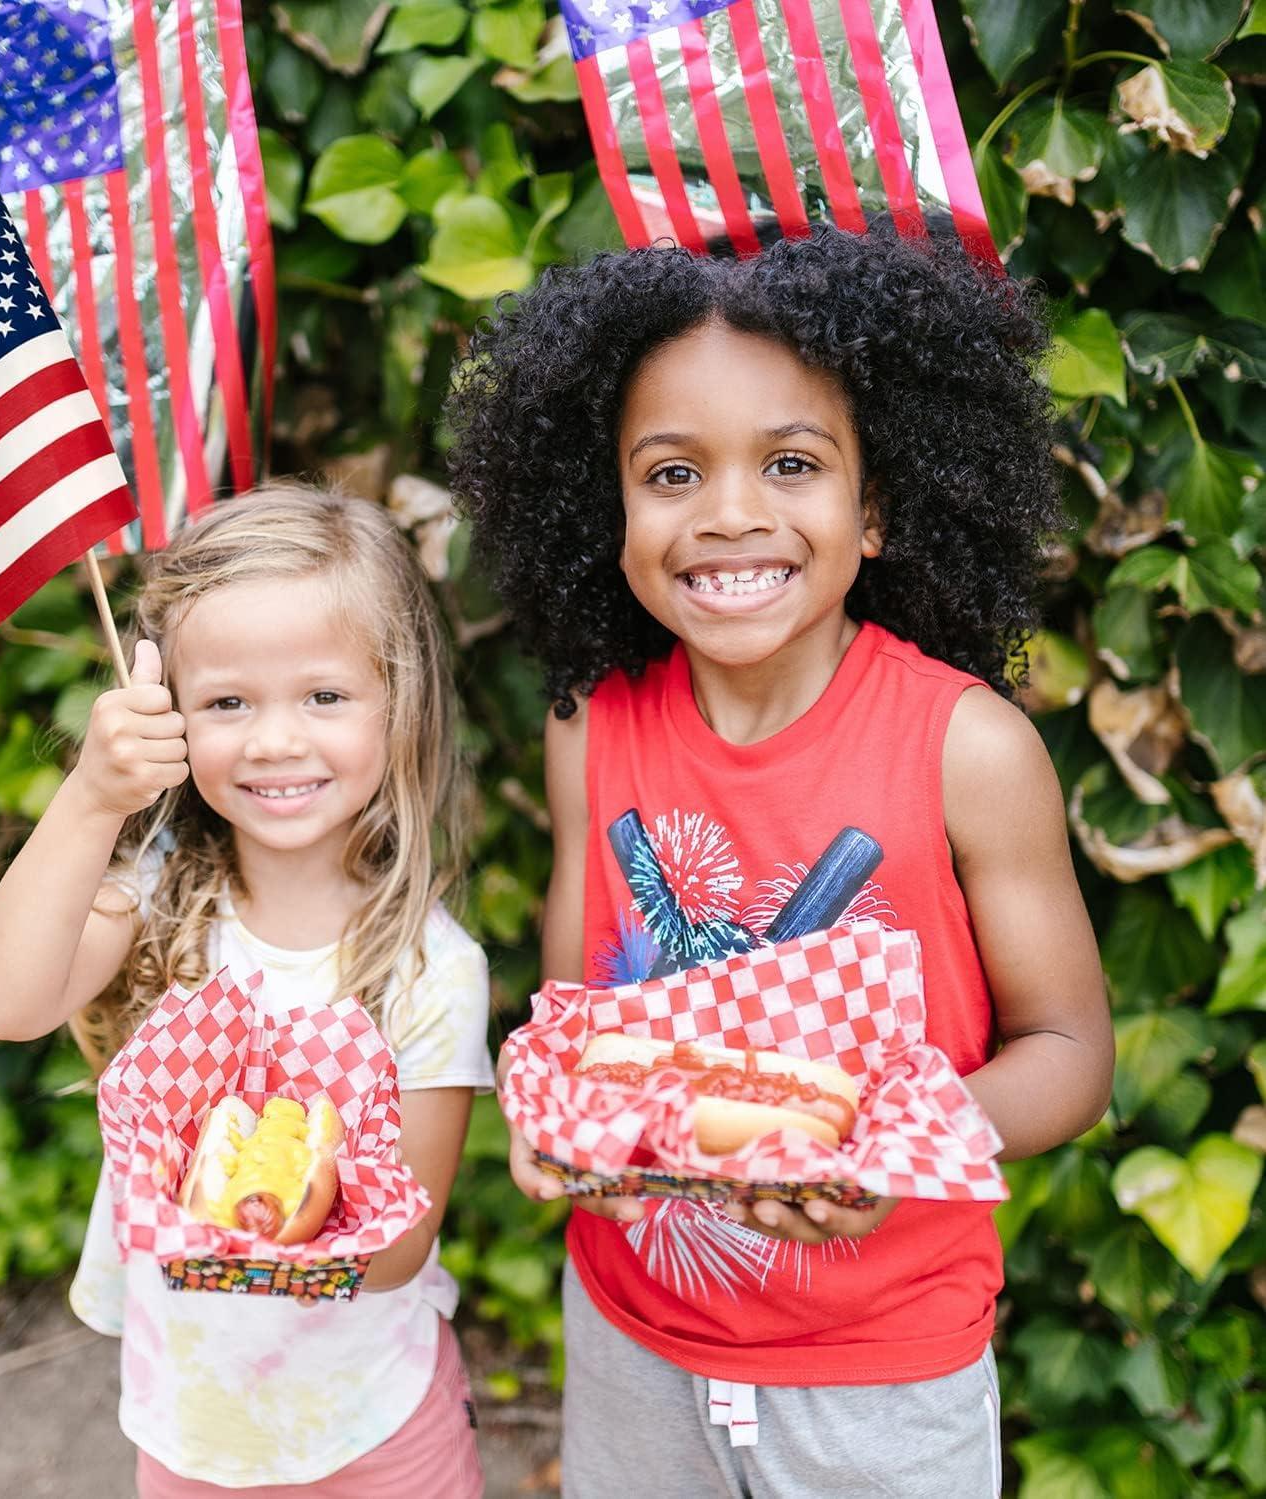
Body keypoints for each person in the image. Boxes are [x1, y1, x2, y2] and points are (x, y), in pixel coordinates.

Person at [445, 226, 1114, 1498]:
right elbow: (577, 1023)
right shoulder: (593, 722)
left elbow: (1071, 1054)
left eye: (792, 464)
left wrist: (895, 1143)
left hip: (884, 1376)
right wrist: (559, 1120)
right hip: (634, 1337)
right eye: (673, 472)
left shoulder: (967, 748)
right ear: (613, 508)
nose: (732, 511)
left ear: (876, 510)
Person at [0, 484, 491, 1498]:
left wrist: (249, 1194)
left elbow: (395, 1251)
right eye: (227, 702)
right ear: (171, 715)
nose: (274, 740)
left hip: (377, 1426)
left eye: (325, 695)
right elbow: (8, 1004)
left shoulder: (431, 969)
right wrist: (92, 796)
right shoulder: (164, 901)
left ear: (400, 701)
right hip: (192, 1427)